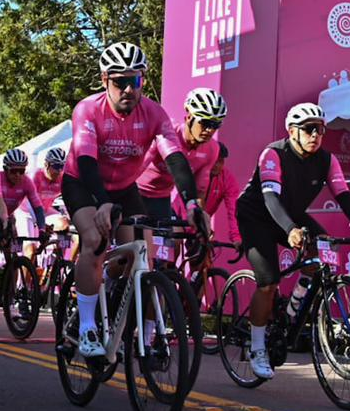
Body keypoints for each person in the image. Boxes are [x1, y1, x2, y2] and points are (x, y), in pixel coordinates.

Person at [62, 42, 206, 357]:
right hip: (83, 184)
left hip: (125, 189)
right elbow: (86, 160)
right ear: (104, 80)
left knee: (142, 254)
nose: (128, 88)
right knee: (95, 241)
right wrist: (101, 202)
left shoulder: (154, 113)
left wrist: (192, 203)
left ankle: (109, 294)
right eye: (120, 81)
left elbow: (175, 158)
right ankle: (84, 326)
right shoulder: (87, 109)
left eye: (135, 80)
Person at [235, 102, 350, 381]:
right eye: (309, 129)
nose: (315, 135)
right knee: (268, 282)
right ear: (292, 131)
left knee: (321, 252)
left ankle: (290, 311)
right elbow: (270, 198)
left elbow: (343, 195)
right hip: (257, 216)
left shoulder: (327, 160)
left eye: (320, 129)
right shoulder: (274, 153)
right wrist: (290, 229)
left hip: (291, 214)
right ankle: (257, 346)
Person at [137, 87, 226, 222]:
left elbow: (199, 191)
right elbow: (138, 166)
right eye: (205, 123)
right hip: (136, 191)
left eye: (215, 125)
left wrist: (198, 218)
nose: (209, 130)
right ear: (189, 117)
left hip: (161, 198)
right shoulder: (168, 132)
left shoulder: (212, 149)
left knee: (167, 235)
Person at [175, 143, 240, 248]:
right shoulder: (195, 170)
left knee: (204, 252)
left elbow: (233, 209)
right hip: (179, 214)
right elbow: (186, 201)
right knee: (175, 242)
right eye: (215, 161)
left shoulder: (227, 179)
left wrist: (236, 237)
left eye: (221, 161)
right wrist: (197, 229)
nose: (217, 165)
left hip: (200, 220)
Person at [0, 148, 46, 259]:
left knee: (13, 253)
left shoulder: (27, 182)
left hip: (9, 217)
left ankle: (12, 265)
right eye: (14, 171)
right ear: (5, 169)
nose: (18, 175)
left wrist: (42, 229)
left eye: (21, 171)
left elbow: (38, 208)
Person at [34, 147, 67, 229]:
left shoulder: (62, 179)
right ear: (46, 164)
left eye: (62, 166)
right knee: (33, 235)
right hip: (27, 212)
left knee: (62, 224)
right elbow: (29, 204)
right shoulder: (36, 176)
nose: (59, 171)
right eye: (56, 166)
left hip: (44, 210)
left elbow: (69, 198)